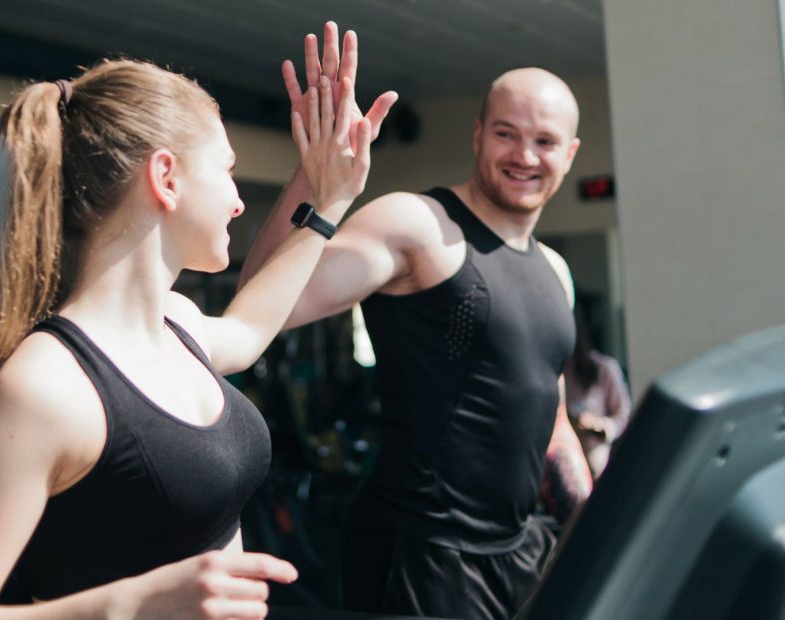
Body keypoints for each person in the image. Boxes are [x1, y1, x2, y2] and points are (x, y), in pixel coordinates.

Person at [0, 37, 395, 619]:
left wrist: (327, 196)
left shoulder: (178, 322)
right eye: (228, 171)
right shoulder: (44, 389)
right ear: (166, 177)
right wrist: (134, 603)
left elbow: (248, 328)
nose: (240, 202)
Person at [240, 51, 594, 619]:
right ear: (478, 134)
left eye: (545, 142)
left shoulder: (554, 270)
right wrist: (317, 179)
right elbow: (261, 304)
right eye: (507, 134)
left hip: (521, 555)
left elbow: (549, 422)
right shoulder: (416, 226)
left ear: (570, 154)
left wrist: (596, 528)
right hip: (421, 557)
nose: (525, 156)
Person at [563, 307, 632, 479]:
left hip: (597, 464)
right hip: (566, 466)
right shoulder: (556, 373)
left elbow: (624, 416)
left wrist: (598, 426)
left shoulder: (604, 369)